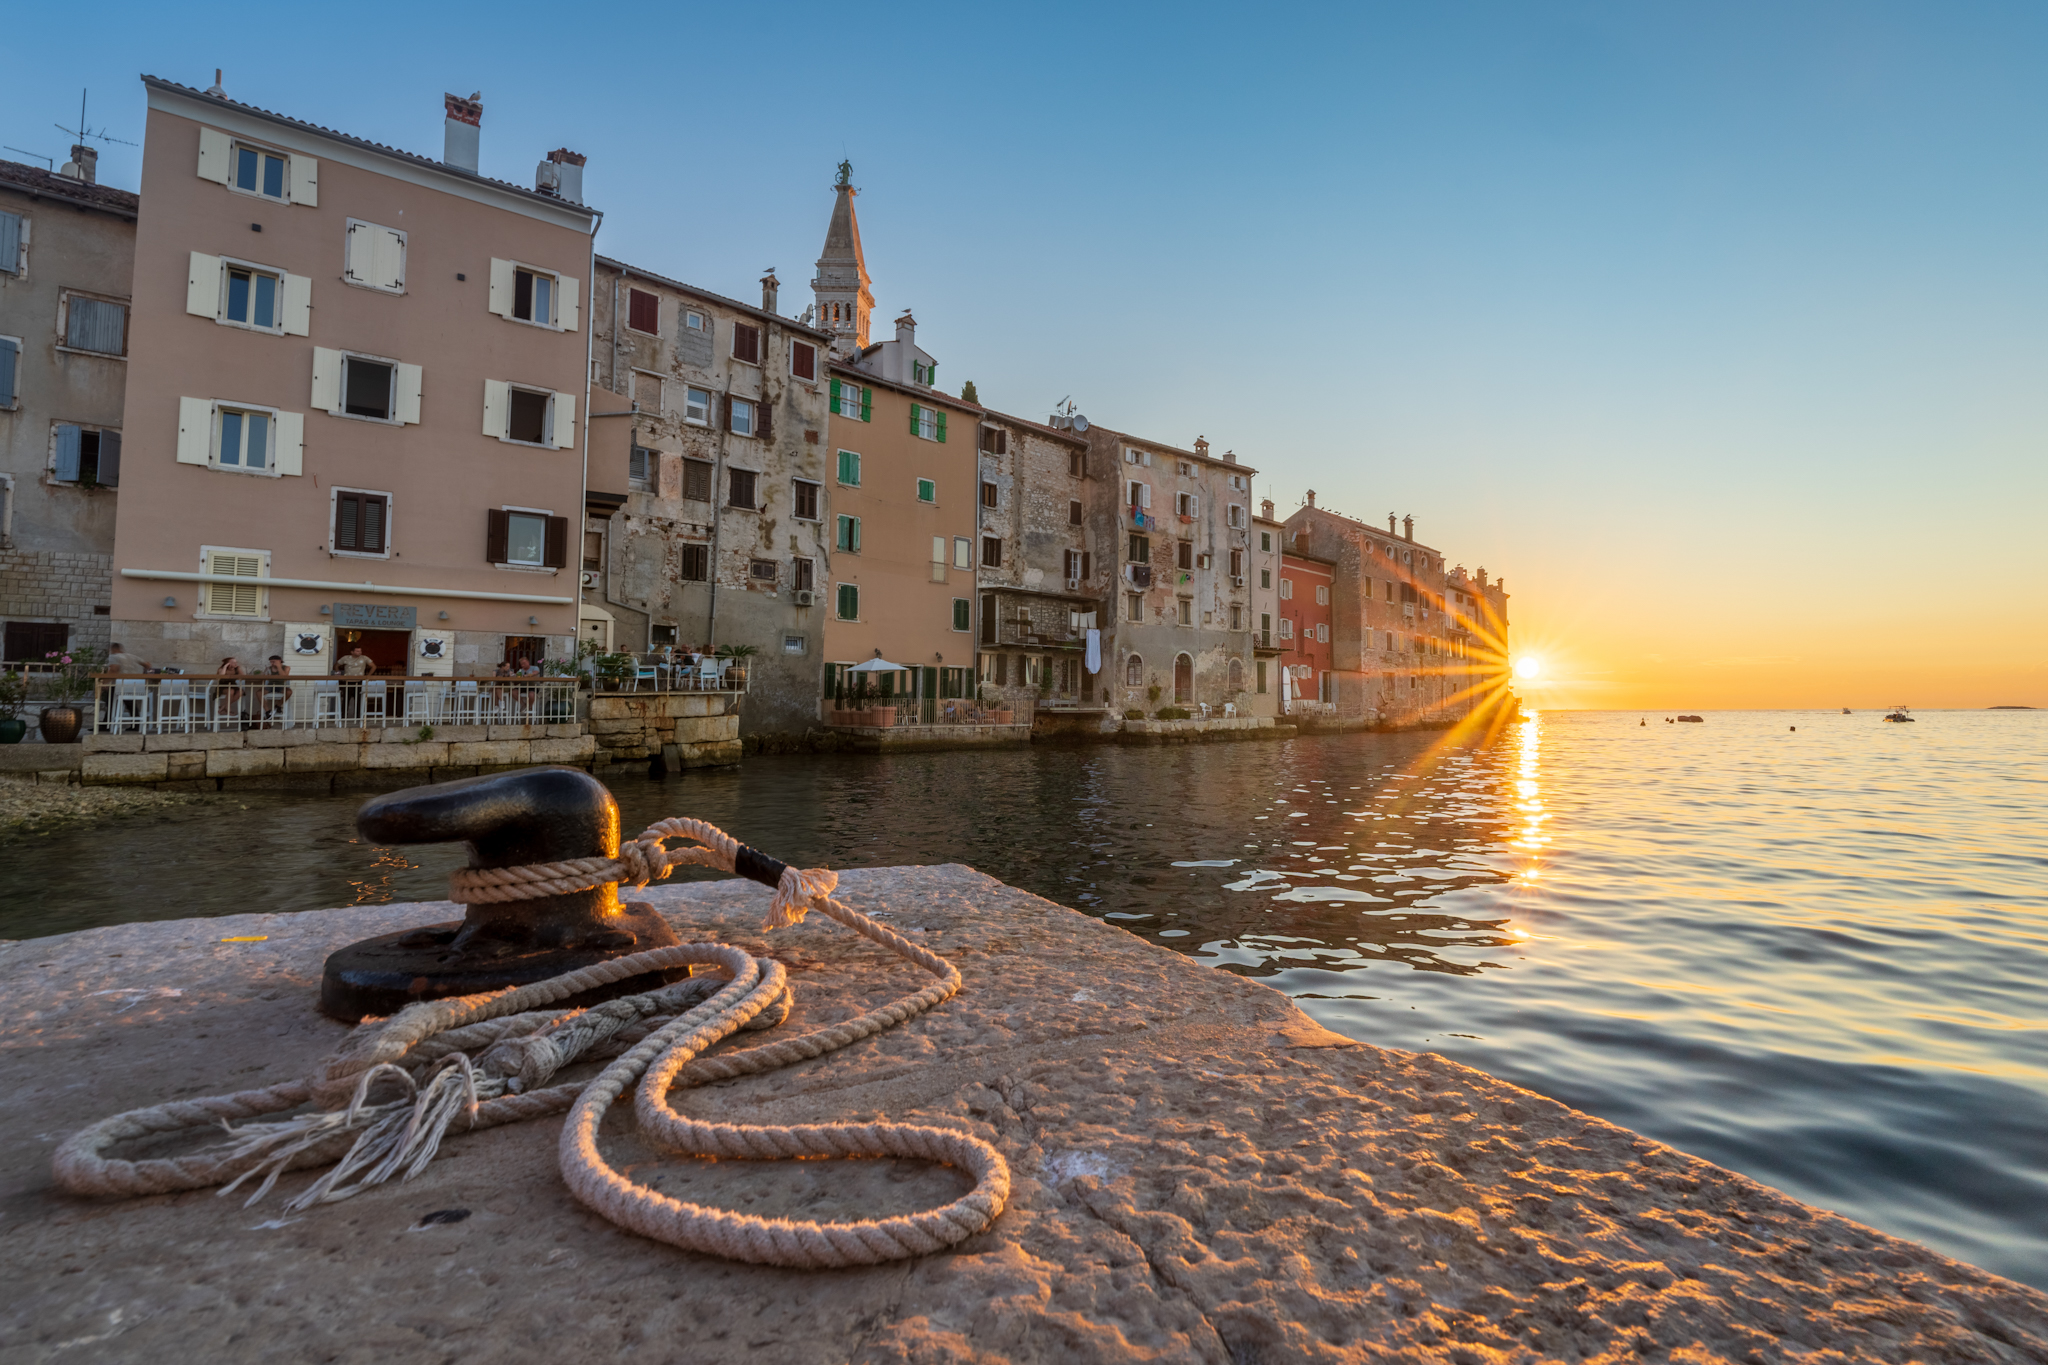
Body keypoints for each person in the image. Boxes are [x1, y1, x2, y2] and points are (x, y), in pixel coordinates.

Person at [335, 645, 374, 719]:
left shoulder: (364, 658)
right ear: (352, 652)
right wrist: (338, 673)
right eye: (357, 651)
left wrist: (368, 675)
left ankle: (358, 717)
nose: (360, 652)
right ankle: (343, 716)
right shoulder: (345, 658)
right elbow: (337, 665)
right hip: (347, 682)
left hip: (359, 682)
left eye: (360, 651)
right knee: (346, 700)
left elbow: (373, 666)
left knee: (359, 700)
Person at [262, 654, 291, 724]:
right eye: (271, 662)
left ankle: (278, 705)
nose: (272, 664)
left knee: (289, 692)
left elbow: (284, 678)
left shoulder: (286, 668)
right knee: (259, 693)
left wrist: (279, 667)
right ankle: (267, 711)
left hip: (281, 686)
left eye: (273, 662)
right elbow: (264, 677)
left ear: (279, 661)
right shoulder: (269, 668)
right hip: (270, 686)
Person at [217, 656, 247, 725]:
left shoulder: (236, 669)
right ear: (227, 663)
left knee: (241, 692)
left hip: (233, 686)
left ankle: (223, 707)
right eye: (233, 662)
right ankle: (228, 711)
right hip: (223, 686)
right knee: (231, 691)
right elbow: (221, 676)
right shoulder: (221, 669)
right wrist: (225, 667)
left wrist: (239, 669)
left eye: (236, 662)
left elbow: (243, 677)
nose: (235, 664)